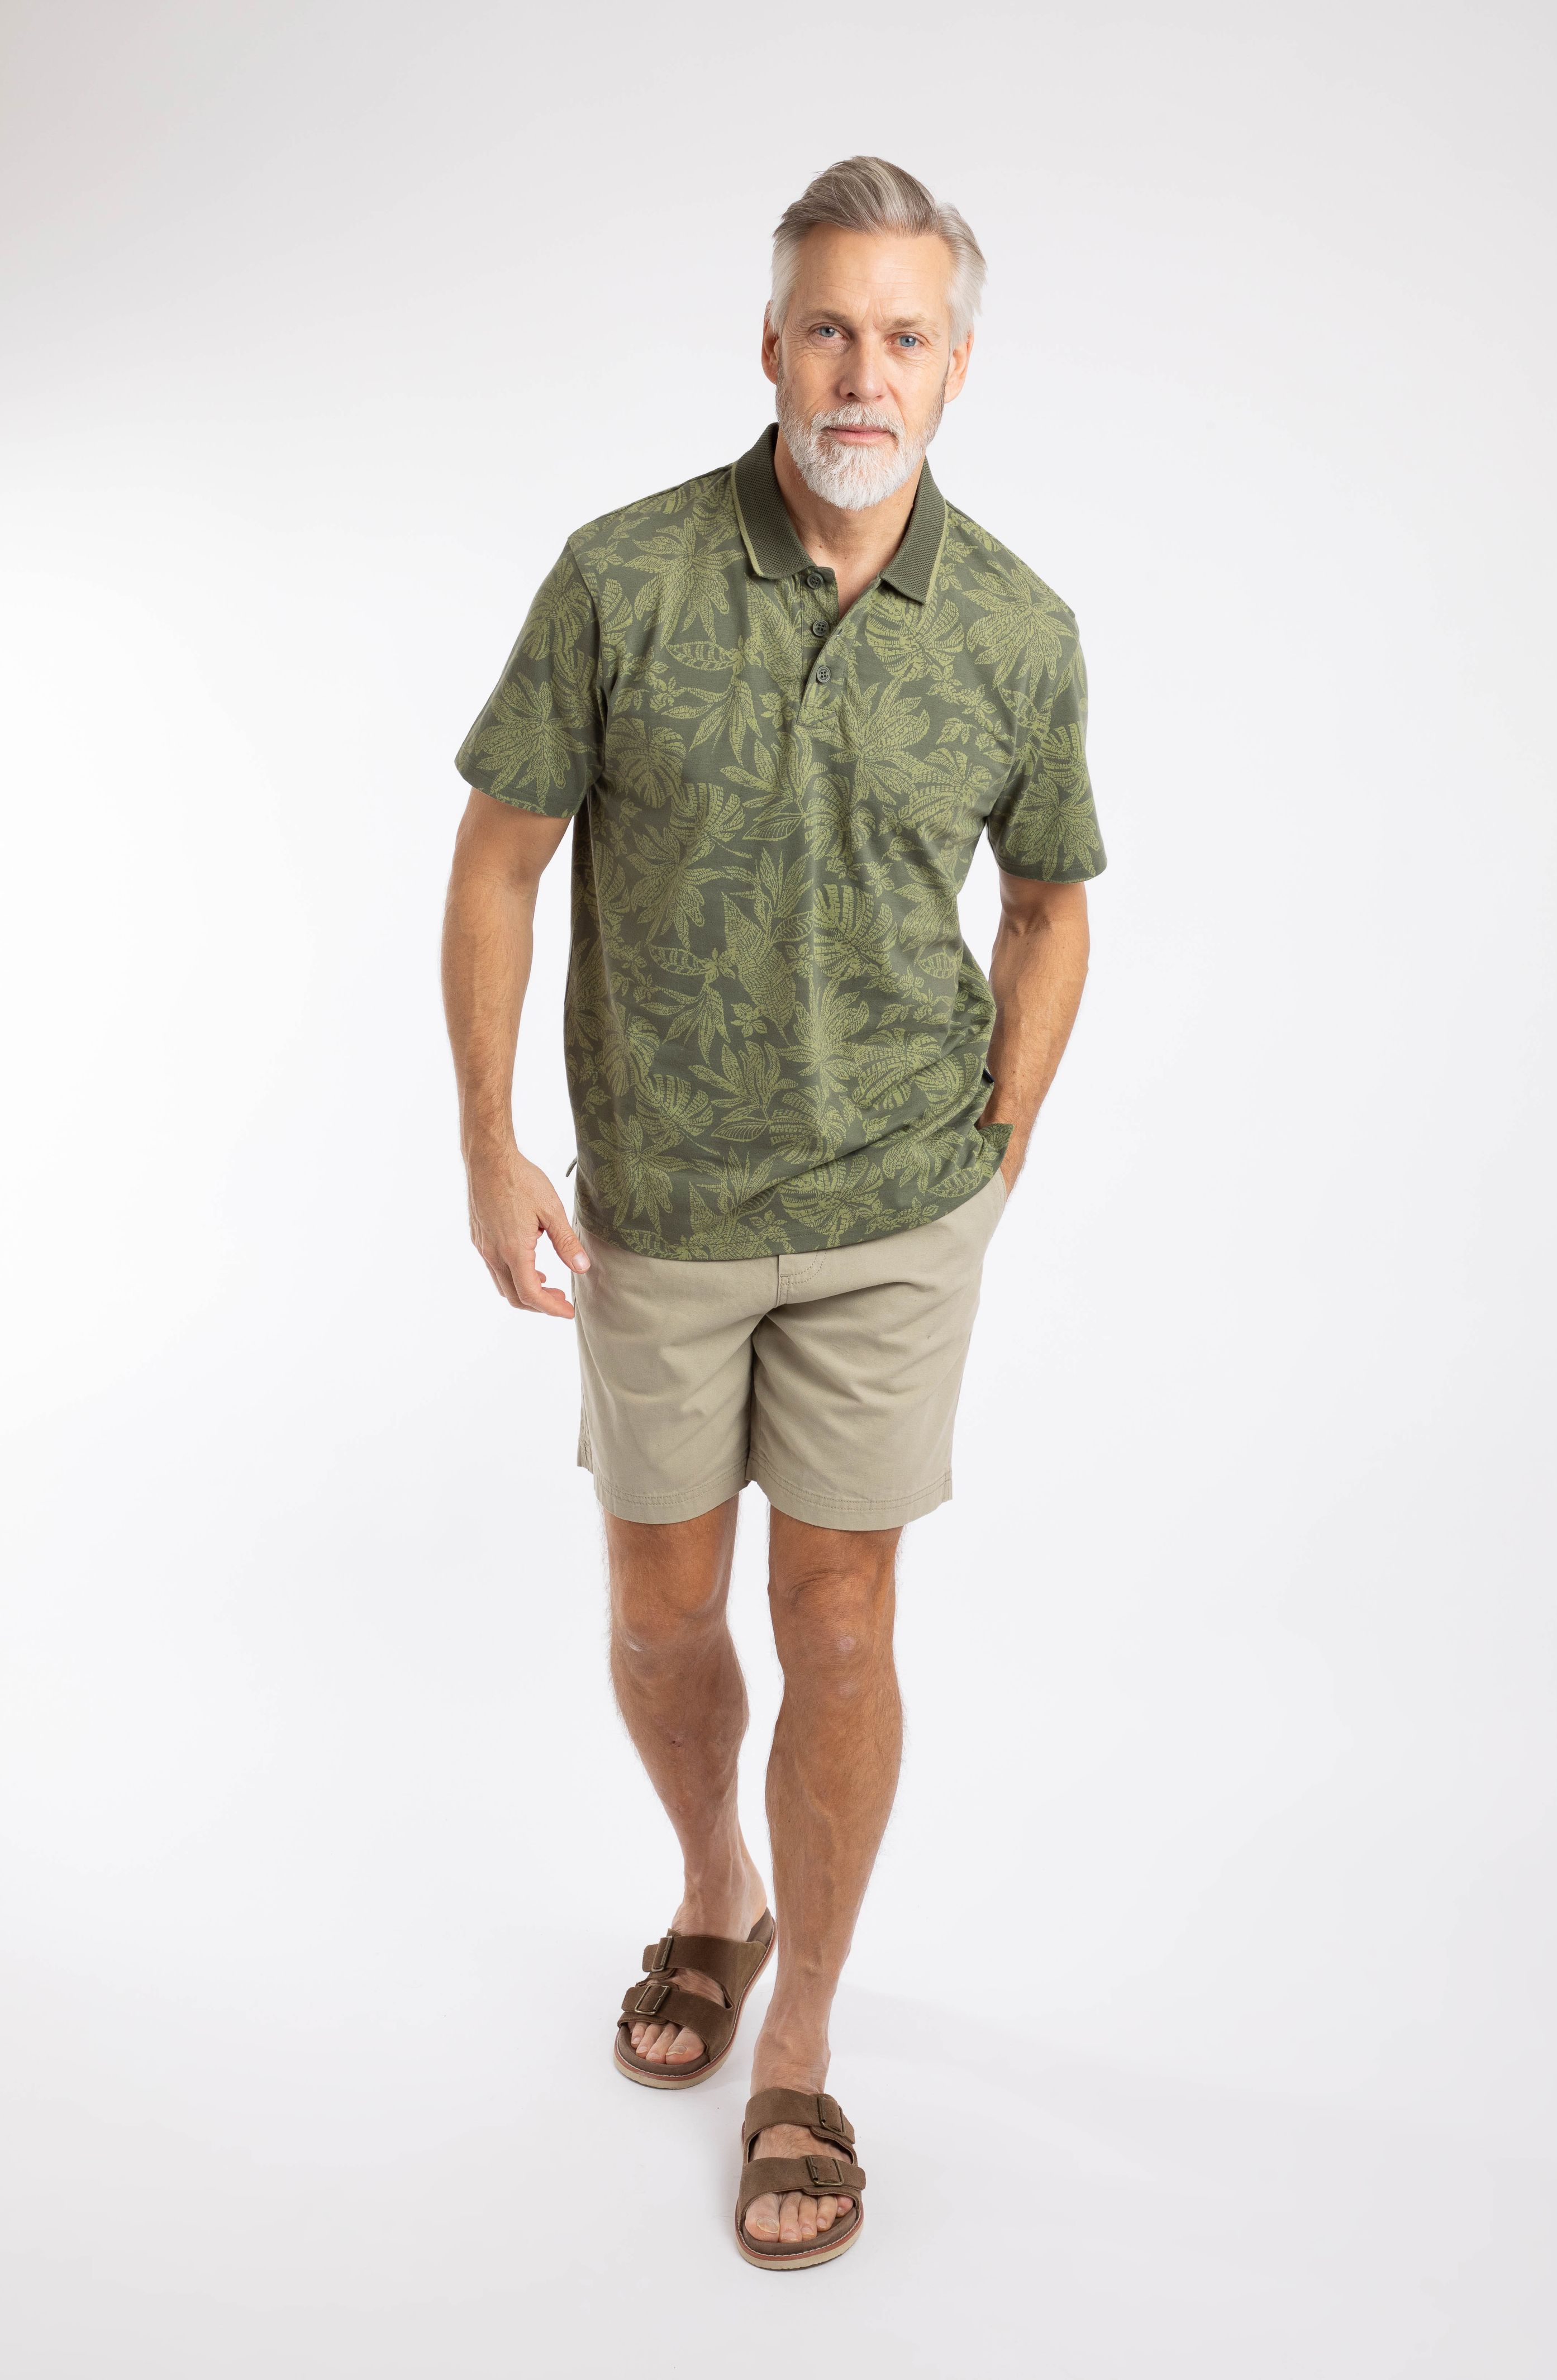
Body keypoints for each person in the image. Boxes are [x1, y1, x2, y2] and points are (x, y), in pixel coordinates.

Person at [441, 154, 1105, 2270]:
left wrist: (1002, 1132)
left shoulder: (1016, 629)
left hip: (899, 1207)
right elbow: (498, 860)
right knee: (663, 1613)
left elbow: (1054, 899)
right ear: (771, 347)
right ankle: (713, 1882)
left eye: (904, 336)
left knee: (838, 1620)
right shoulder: (622, 578)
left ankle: (801, 2029)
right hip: (661, 1207)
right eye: (830, 328)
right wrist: (489, 1142)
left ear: (957, 368)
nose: (862, 373)